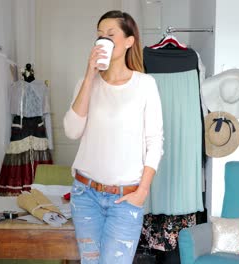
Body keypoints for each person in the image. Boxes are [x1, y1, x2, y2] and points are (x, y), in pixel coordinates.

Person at [63, 10, 164, 263]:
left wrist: (142, 191)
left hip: (125, 198)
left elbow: (155, 142)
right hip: (86, 195)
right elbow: (72, 131)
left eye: (111, 34)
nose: (103, 40)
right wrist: (89, 75)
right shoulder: (86, 84)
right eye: (99, 35)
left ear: (129, 41)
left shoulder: (145, 85)